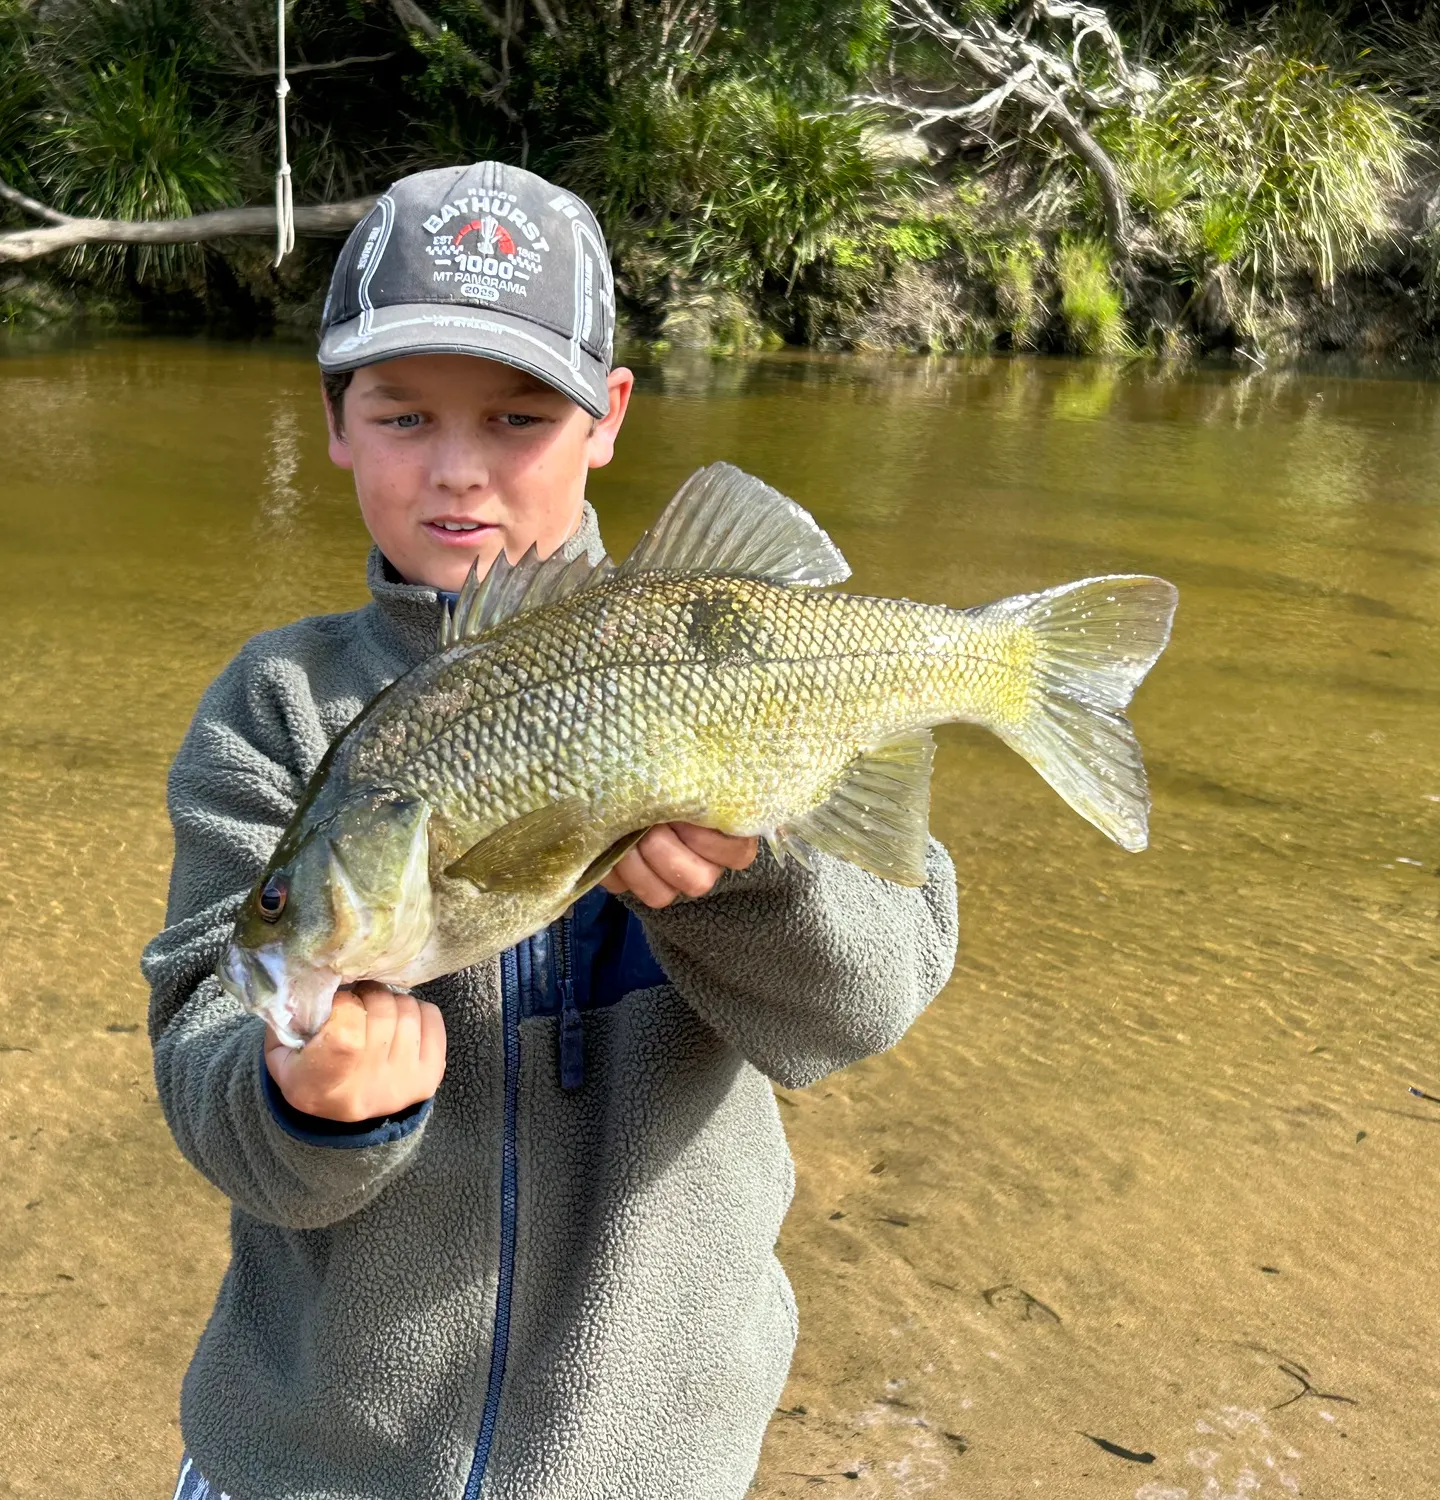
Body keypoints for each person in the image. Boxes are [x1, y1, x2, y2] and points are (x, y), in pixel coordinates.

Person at [142, 160, 958, 1500]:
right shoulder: (278, 710)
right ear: (334, 419)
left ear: (608, 416)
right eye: (403, 414)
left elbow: (860, 1010)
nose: (458, 469)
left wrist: (752, 882)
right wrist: (303, 1102)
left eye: (518, 416)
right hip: (308, 1467)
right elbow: (204, 1037)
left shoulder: (737, 663)